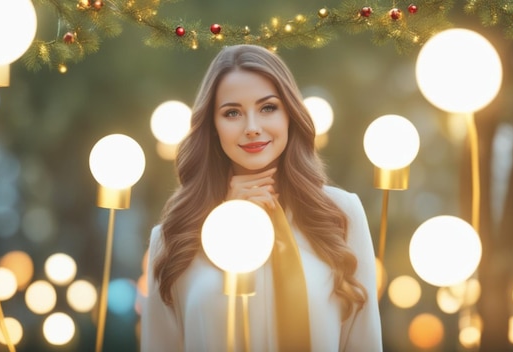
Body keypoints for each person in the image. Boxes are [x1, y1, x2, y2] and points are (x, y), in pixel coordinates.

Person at [140, 44, 382, 352]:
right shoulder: (173, 236)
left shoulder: (341, 214)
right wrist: (228, 219)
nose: (252, 128)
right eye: (232, 113)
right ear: (213, 126)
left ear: (290, 115)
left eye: (268, 108)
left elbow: (364, 342)